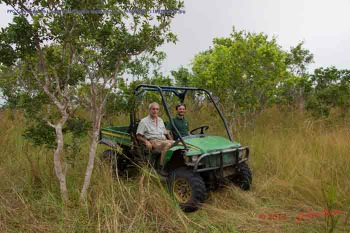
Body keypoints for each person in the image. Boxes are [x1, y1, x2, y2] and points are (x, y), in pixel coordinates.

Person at [136, 102, 174, 173]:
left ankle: (173, 164)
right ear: (149, 110)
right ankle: (161, 167)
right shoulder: (144, 121)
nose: (155, 111)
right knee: (167, 145)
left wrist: (172, 140)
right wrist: (146, 141)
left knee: (177, 143)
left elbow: (166, 132)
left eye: (157, 109)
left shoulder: (160, 120)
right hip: (153, 141)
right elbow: (138, 136)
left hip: (163, 139)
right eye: (153, 109)